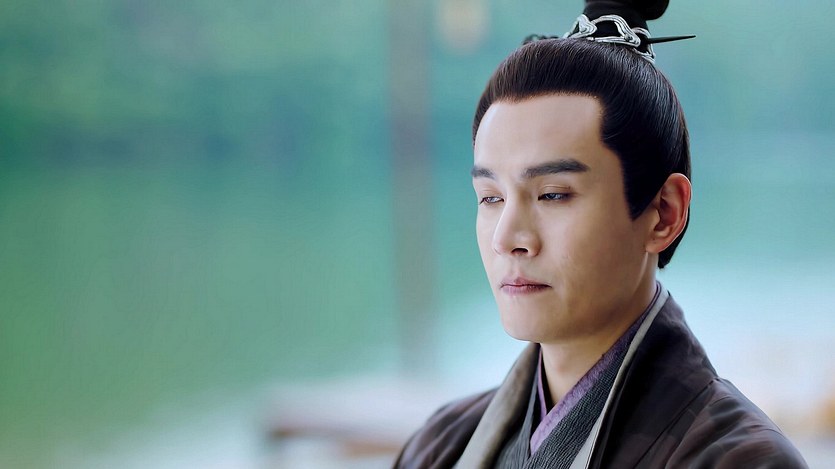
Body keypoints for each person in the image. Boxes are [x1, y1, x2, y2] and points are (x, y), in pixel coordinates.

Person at [394, 0, 809, 468]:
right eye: (491, 198)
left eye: (552, 194)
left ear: (663, 214)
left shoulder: (739, 460)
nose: (507, 238)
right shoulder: (441, 444)